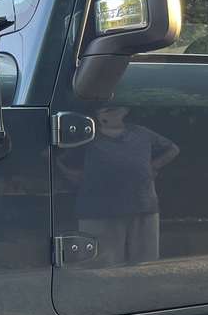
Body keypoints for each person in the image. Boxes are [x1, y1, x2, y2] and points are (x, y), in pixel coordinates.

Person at [75, 106, 179, 266]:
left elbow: (172, 149)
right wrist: (73, 175)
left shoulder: (141, 133)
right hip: (99, 212)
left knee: (146, 270)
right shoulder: (85, 136)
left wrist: (154, 166)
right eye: (106, 110)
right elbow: (56, 157)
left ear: (125, 111)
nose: (111, 113)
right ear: (97, 114)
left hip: (143, 208)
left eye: (116, 109)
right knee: (100, 271)